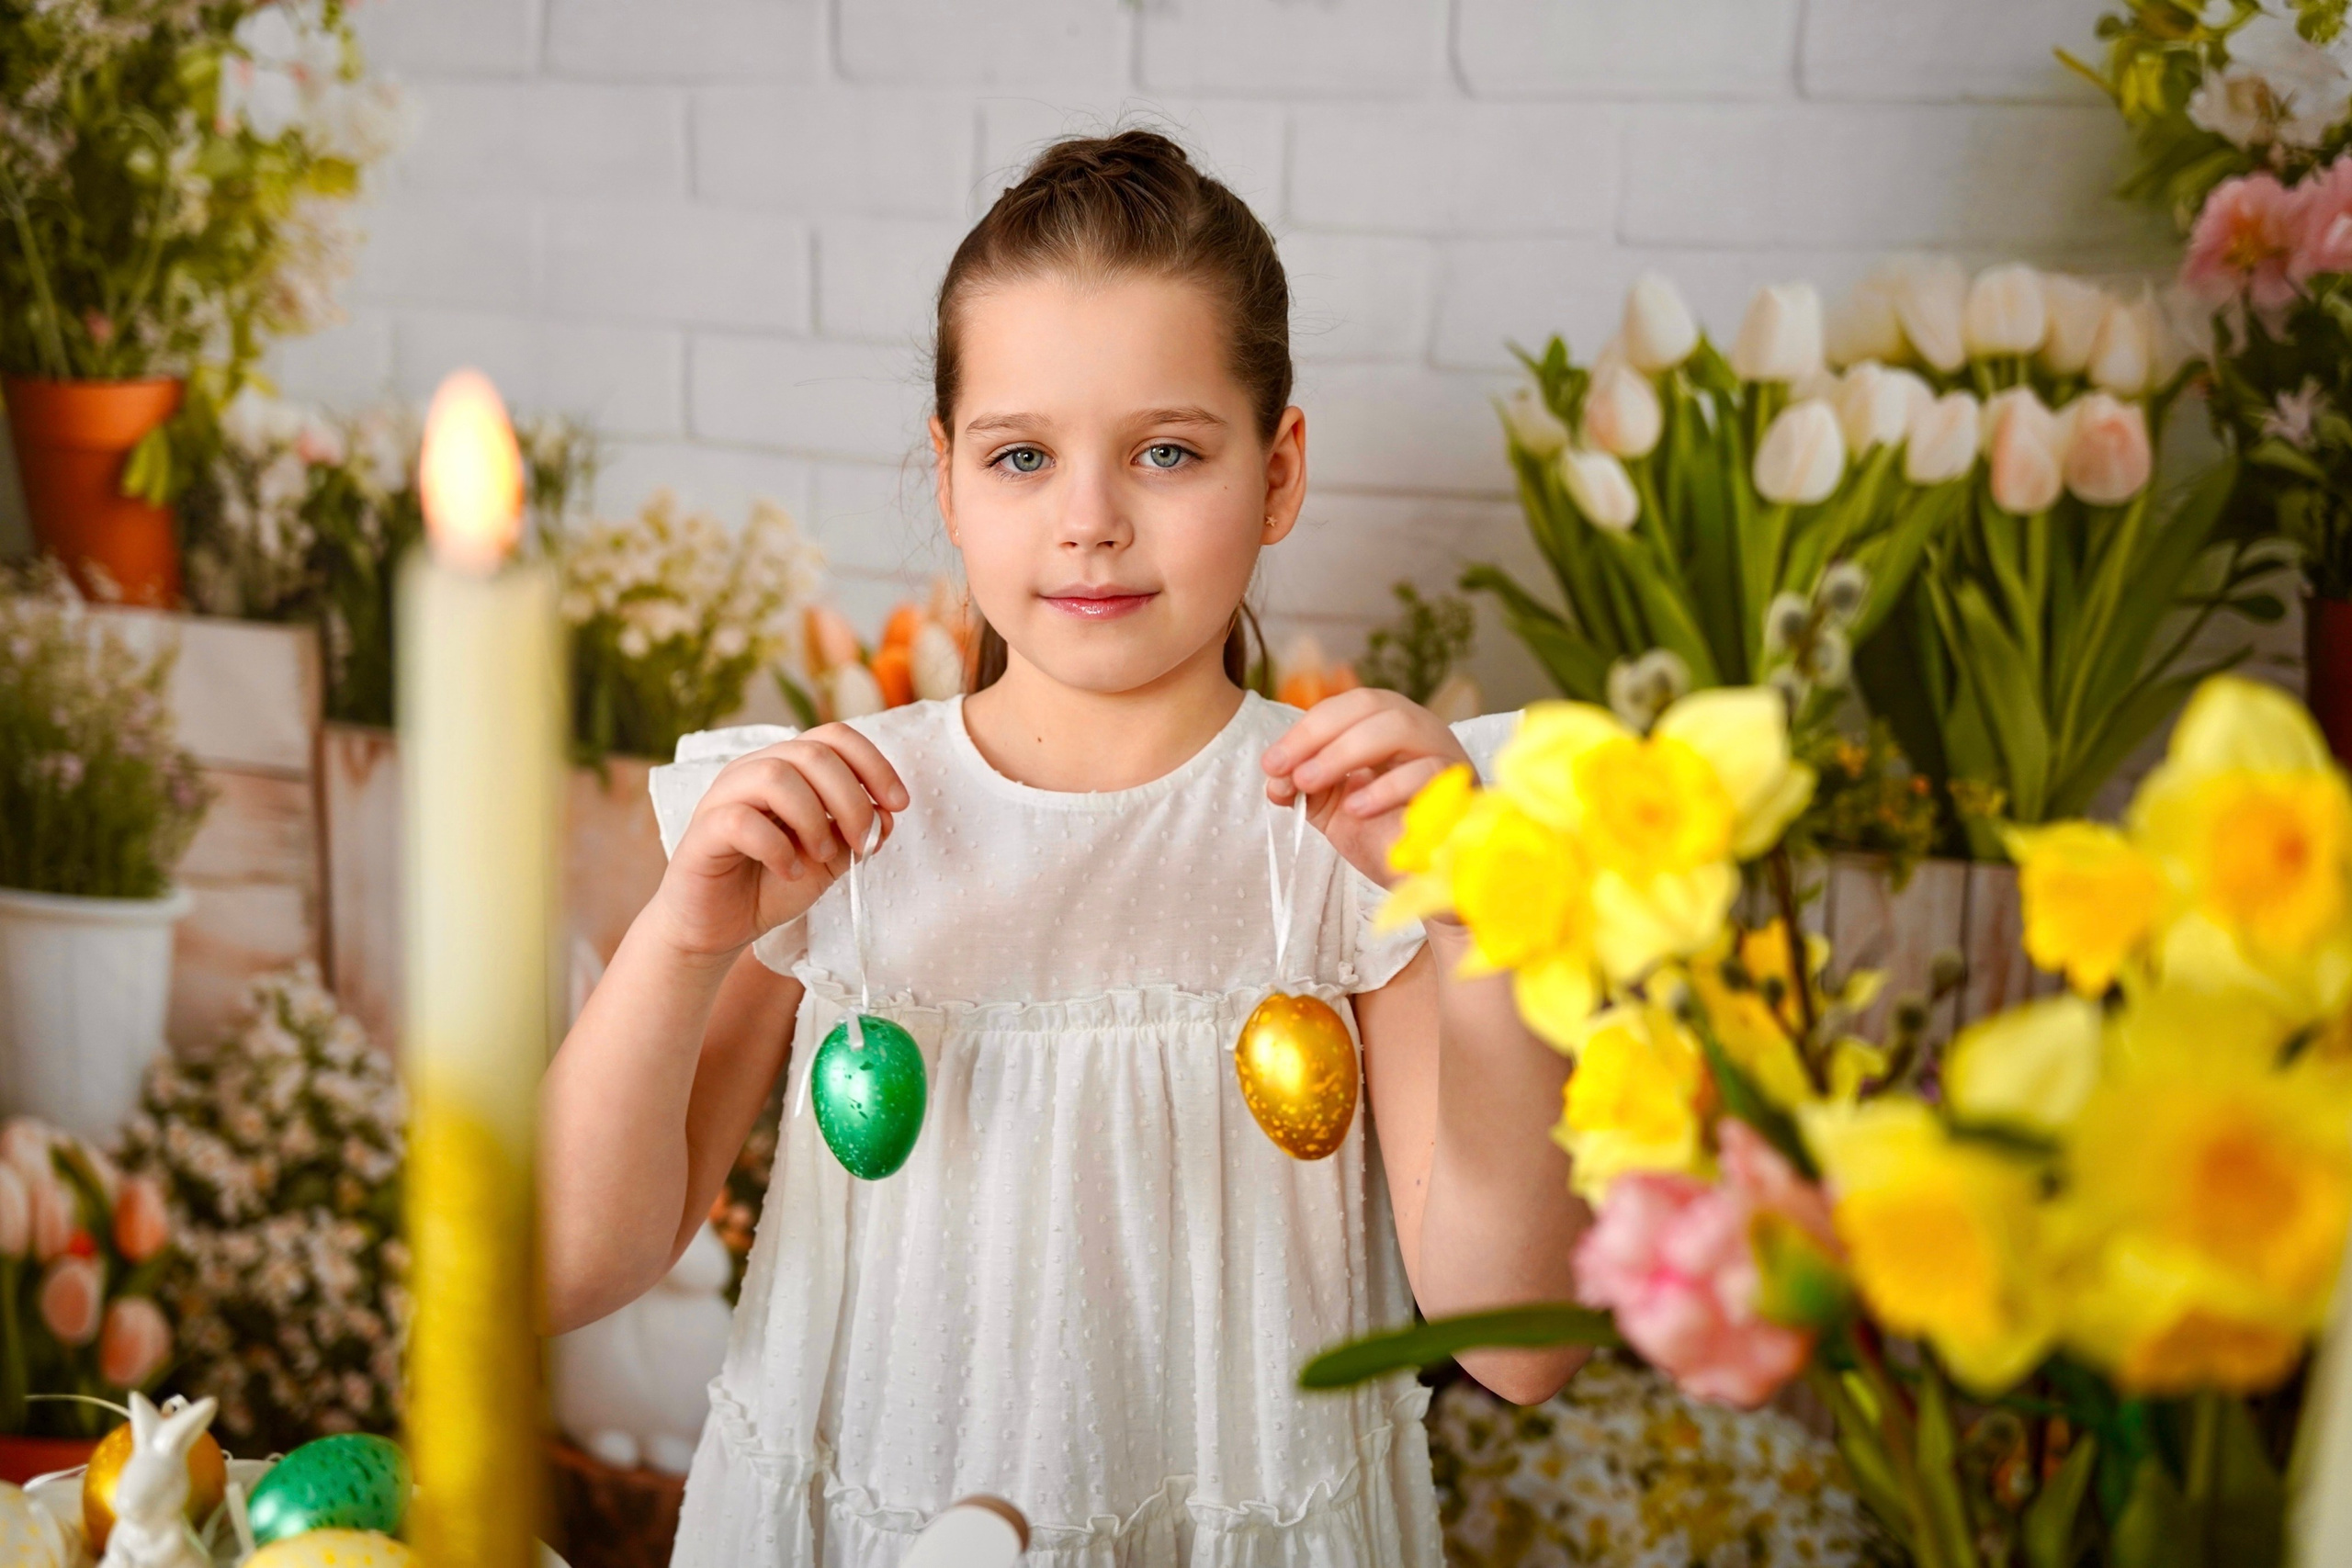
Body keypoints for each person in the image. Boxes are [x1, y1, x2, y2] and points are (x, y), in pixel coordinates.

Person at [540, 129, 1588, 1567]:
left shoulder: (1362, 839)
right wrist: (682, 937)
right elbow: (558, 1264)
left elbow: (1522, 1345)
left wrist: (1483, 923)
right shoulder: (829, 823)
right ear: (950, 477)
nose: (1090, 522)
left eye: (1167, 451)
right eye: (1023, 456)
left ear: (1277, 474)